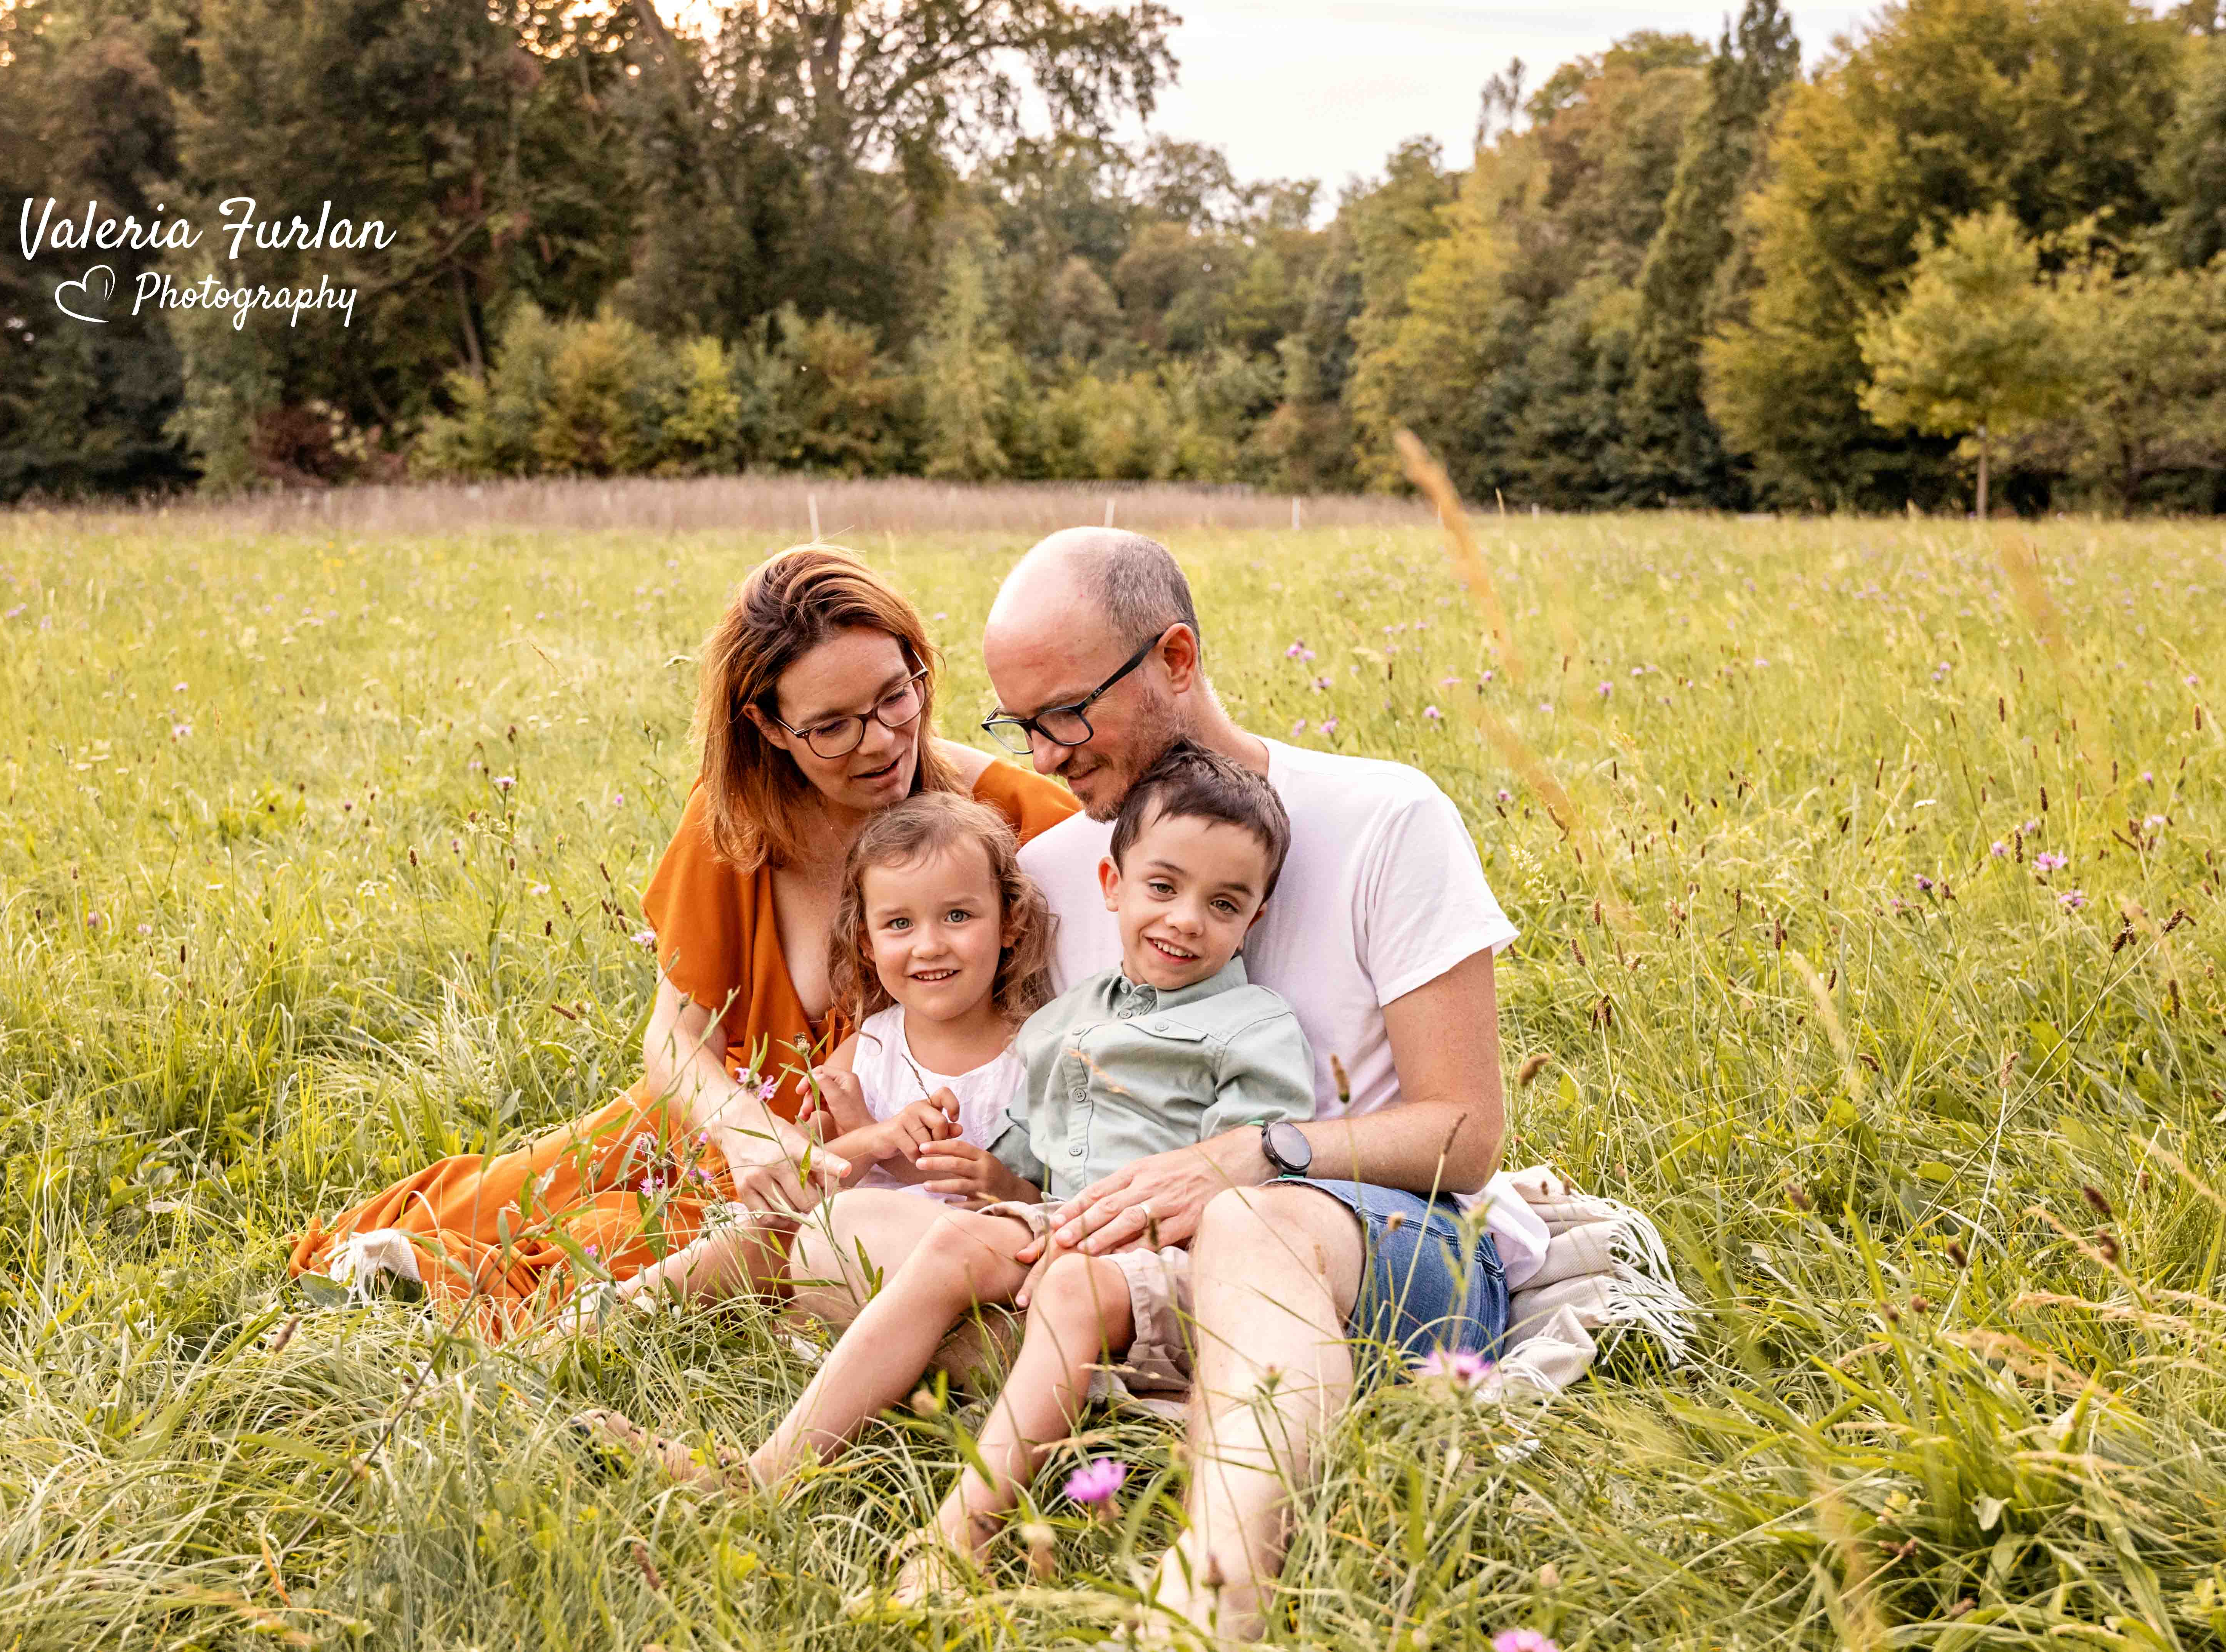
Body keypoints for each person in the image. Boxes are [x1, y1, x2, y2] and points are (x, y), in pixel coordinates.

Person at [584, 741, 1317, 1619]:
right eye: (1163, 888)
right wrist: (986, 1178)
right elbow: (1025, 1177)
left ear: (1256, 915)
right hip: (1061, 1223)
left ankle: (962, 1533)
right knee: (952, 1236)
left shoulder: (1253, 1025)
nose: (1186, 920)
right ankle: (762, 1473)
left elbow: (1252, 1181)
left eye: (1223, 902)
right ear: (1111, 886)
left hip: (1173, 1256)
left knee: (1074, 1281)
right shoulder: (1068, 1024)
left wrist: (1107, 1223)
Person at [285, 545, 1078, 1336]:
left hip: (850, 1183)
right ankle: (402, 1267)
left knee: (619, 1249)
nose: (878, 742)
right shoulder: (738, 821)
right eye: (831, 727)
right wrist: (746, 1132)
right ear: (768, 726)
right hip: (713, 1121)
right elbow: (674, 1037)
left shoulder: (1010, 818)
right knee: (495, 1202)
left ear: (918, 667)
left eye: (895, 698)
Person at [982, 527, 1542, 1643]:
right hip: (1140, 1267)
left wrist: (1259, 1153)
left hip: (1384, 1249)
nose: (1041, 756)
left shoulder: (1388, 815)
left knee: (1249, 1221)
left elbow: (1466, 1131)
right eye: (1016, 724)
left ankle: (1212, 1597)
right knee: (858, 1252)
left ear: (1175, 659)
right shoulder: (1055, 872)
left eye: (1064, 714)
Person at [612, 790, 1055, 1311]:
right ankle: (618, 1311)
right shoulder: (868, 1049)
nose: (929, 945)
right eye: (899, 924)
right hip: (843, 1253)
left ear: (1011, 922)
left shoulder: (1036, 1053)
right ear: (865, 942)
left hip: (963, 1267)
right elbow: (807, 1180)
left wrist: (1003, 1186)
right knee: (765, 1233)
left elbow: (1056, 1197)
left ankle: (823, 1333)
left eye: (958, 916)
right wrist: (873, 1135)